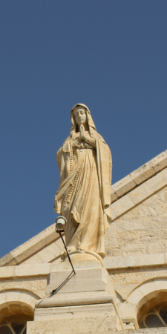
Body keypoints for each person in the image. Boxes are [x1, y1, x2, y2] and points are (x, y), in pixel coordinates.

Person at [54, 104, 112, 260]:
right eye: (76, 114)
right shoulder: (70, 138)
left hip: (91, 174)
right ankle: (72, 243)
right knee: (73, 208)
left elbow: (105, 153)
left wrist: (88, 140)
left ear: (87, 116)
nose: (79, 116)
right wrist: (70, 146)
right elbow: (60, 155)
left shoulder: (96, 137)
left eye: (82, 113)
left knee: (90, 208)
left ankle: (87, 244)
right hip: (75, 178)